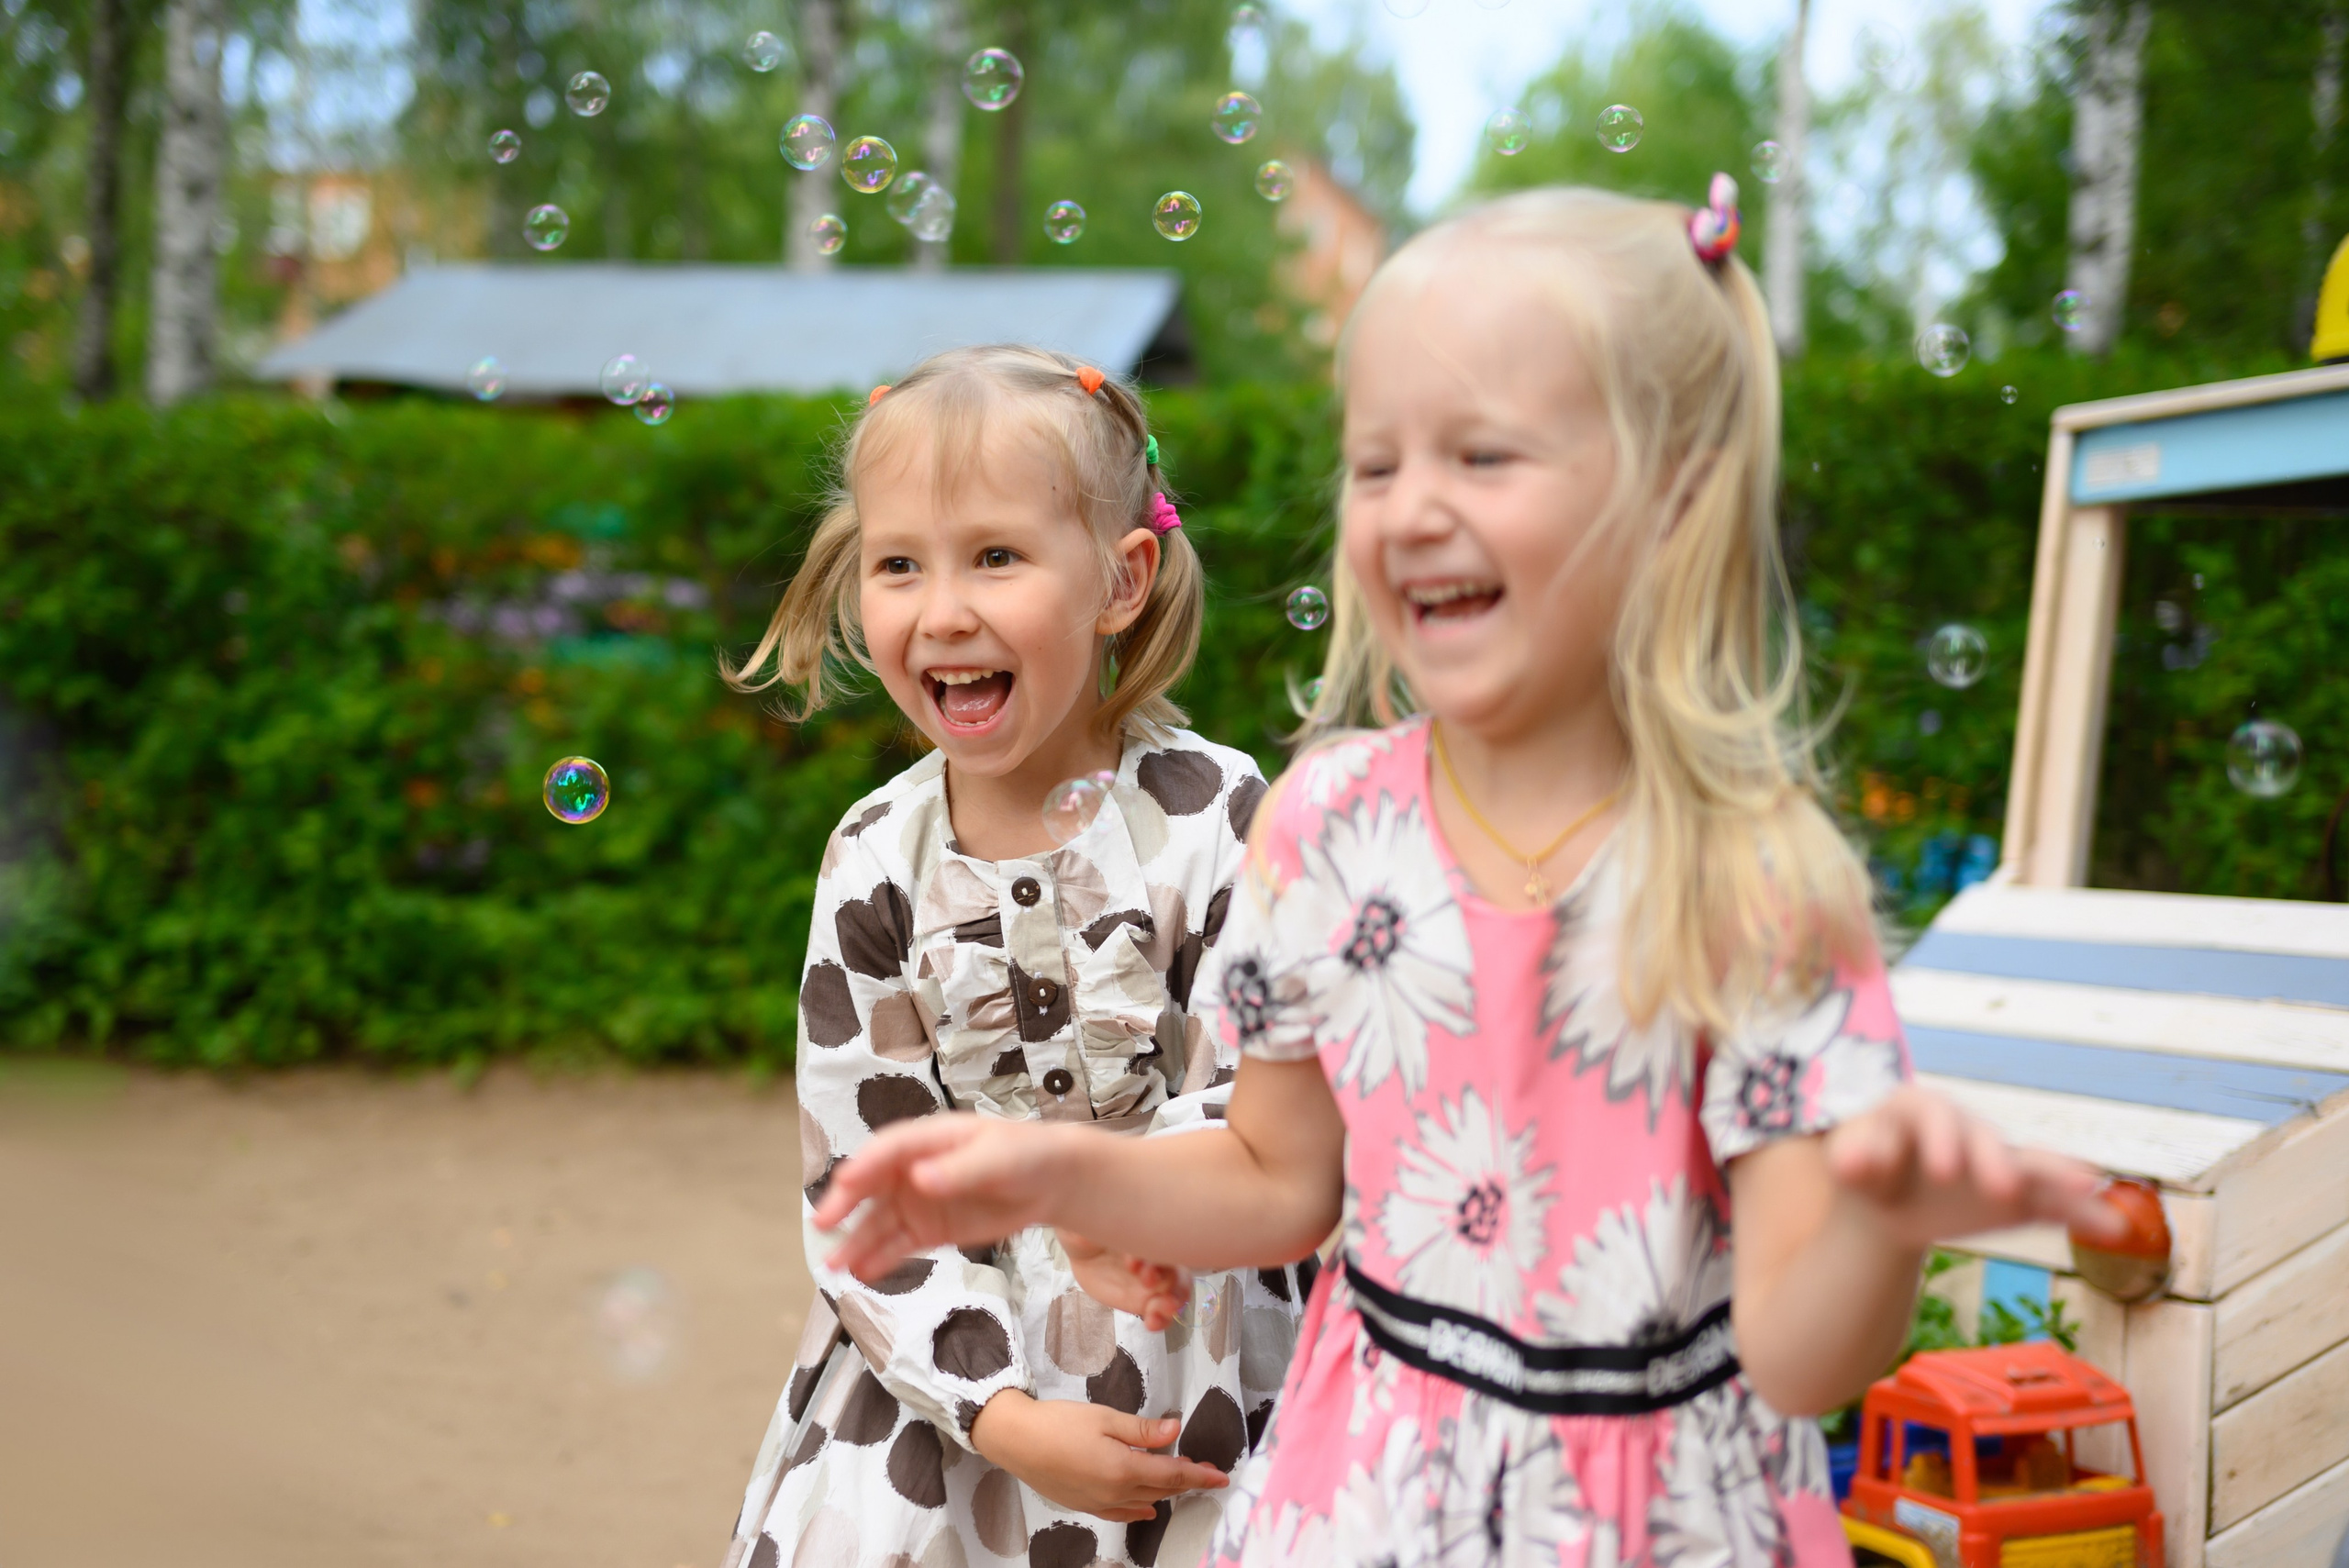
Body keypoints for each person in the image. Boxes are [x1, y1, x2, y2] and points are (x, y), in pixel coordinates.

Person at [810, 186, 2134, 1566]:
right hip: (1371, 1491)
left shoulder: (1757, 880)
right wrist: (1053, 1170)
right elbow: (1275, 1183)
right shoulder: (1326, 823)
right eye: (1377, 466)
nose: (1413, 508)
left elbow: (1802, 1364)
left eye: (1482, 455)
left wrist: (1882, 1226)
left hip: (1655, 1514)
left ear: (1671, 493)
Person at [719, 344, 1309, 1568]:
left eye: (995, 554)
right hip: (947, 1427)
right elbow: (860, 1186)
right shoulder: (876, 855)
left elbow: (1260, 1118)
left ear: (1120, 578)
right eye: (898, 563)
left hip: (1192, 1383)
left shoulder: (1223, 818)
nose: (942, 609)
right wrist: (1009, 1417)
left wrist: (1107, 1194)